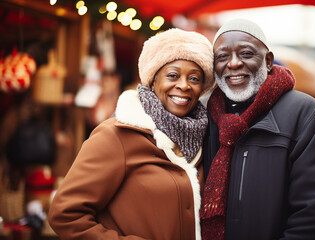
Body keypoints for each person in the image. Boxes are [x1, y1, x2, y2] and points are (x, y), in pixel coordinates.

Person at [48, 28, 214, 240]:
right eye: (172, 75)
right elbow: (65, 215)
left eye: (194, 78)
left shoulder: (206, 139)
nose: (184, 85)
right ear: (153, 80)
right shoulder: (115, 135)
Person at [200, 19, 315, 240]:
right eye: (222, 56)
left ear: (268, 61)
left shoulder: (309, 116)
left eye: (246, 53)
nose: (233, 63)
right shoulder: (202, 116)